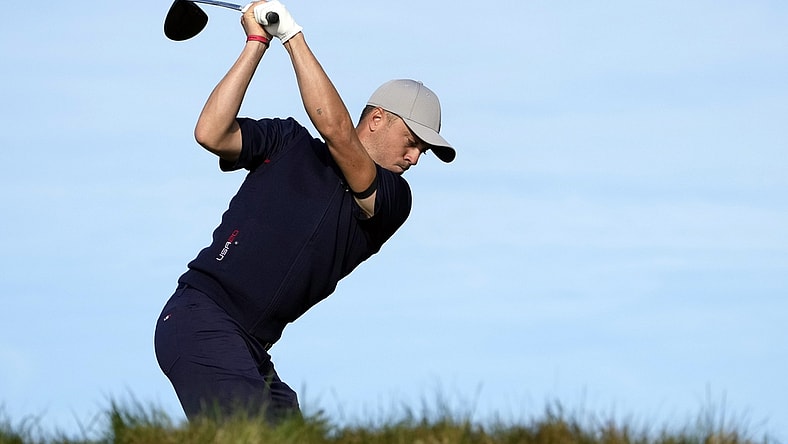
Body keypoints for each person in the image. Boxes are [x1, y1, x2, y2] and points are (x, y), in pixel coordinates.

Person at [154, 0, 456, 423]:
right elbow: (211, 132)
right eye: (411, 141)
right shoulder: (287, 141)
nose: (415, 157)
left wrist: (292, 36)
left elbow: (336, 132)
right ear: (377, 120)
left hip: (250, 347)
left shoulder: (394, 199)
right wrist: (257, 42)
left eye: (422, 149)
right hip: (201, 317)